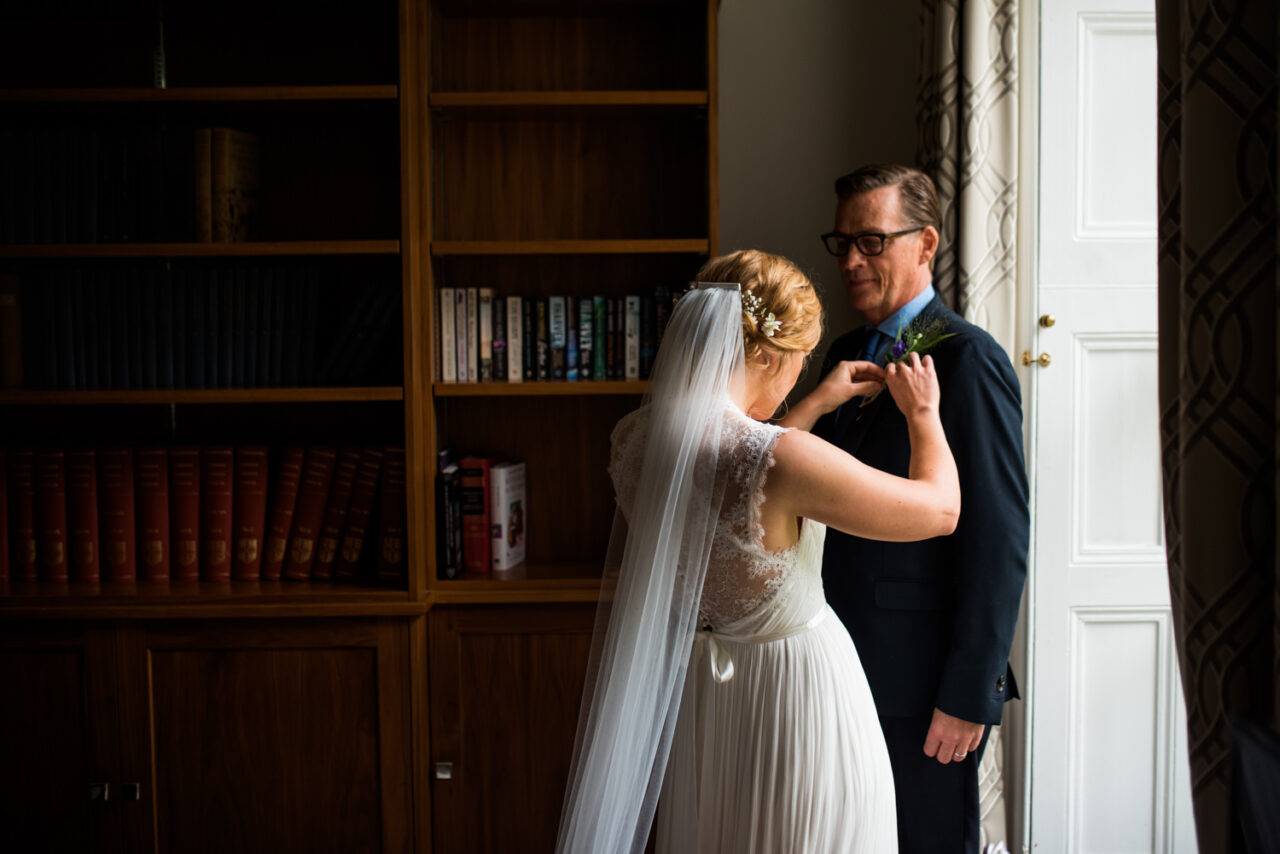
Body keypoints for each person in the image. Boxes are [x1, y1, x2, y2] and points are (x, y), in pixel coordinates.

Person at [557, 249, 961, 854]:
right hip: (797, 703)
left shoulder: (637, 441)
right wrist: (924, 416)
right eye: (799, 361)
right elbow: (939, 511)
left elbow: (734, 485)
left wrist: (814, 405)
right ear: (768, 354)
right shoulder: (780, 458)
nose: (798, 375)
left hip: (709, 708)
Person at [798, 163, 1030, 853]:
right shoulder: (842, 354)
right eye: (842, 244)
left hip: (923, 683)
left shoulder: (969, 361)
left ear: (925, 244)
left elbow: (999, 538)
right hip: (838, 664)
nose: (853, 261)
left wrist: (969, 692)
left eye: (872, 241)